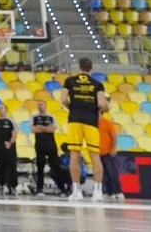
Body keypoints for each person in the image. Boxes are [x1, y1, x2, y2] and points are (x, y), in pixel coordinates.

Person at [60, 56, 107, 202]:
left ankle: (76, 191)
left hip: (75, 120)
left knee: (74, 155)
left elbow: (62, 100)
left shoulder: (70, 81)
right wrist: (104, 108)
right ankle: (98, 192)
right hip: (91, 121)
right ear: (91, 68)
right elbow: (101, 104)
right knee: (95, 156)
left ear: (79, 67)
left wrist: (72, 108)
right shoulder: (97, 84)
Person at [31, 99, 67, 194]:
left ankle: (62, 189)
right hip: (39, 145)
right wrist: (46, 128)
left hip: (51, 145)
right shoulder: (34, 117)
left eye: (42, 105)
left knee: (56, 167)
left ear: (45, 106)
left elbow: (52, 130)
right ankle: (40, 189)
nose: (40, 106)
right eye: (39, 105)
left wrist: (41, 127)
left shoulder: (51, 117)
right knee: (40, 167)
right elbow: (33, 130)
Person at [0, 103, 19, 196]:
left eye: (1, 108)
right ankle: (0, 185)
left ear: (6, 109)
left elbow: (15, 133)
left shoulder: (11, 121)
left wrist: (10, 142)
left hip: (9, 147)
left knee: (11, 167)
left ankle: (12, 187)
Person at [98, 108, 123, 199]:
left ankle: (118, 191)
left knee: (112, 172)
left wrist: (113, 148)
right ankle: (108, 191)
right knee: (104, 174)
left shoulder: (107, 123)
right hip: (97, 152)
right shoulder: (92, 124)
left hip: (108, 151)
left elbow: (114, 136)